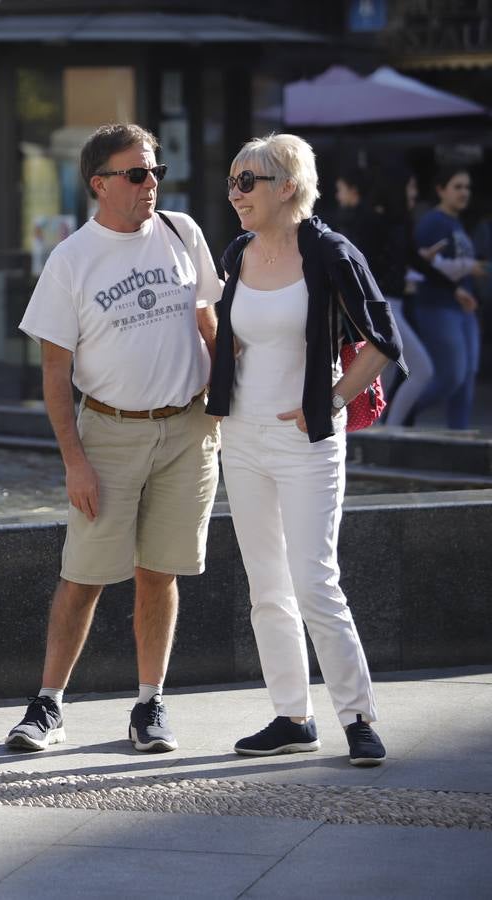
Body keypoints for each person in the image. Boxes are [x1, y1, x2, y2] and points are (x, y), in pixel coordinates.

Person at [8, 123, 221, 755]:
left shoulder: (184, 233)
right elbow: (54, 372)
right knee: (85, 576)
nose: (150, 184)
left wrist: (238, 403)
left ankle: (149, 705)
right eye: (136, 174)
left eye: (155, 171)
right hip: (109, 432)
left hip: (189, 428)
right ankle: (47, 705)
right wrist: (74, 462)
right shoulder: (72, 259)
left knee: (161, 573)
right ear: (100, 184)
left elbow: (210, 321)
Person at [206, 133, 402, 766]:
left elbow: (382, 342)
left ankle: (359, 717)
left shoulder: (330, 252)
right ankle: (292, 715)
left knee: (315, 582)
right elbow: (233, 334)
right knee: (267, 586)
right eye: (231, 182)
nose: (234, 194)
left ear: (285, 186)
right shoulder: (237, 251)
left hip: (306, 441)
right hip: (241, 435)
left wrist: (334, 400)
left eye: (246, 183)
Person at [372, 172, 469, 427]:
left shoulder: (402, 224)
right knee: (421, 369)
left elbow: (415, 261)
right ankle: (389, 432)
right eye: (410, 186)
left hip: (396, 306)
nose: (414, 193)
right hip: (383, 307)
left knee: (388, 373)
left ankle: (372, 433)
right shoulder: (377, 222)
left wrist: (453, 288)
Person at [408, 168, 486, 429]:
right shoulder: (433, 223)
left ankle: (459, 436)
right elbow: (423, 264)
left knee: (466, 377)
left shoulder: (456, 223)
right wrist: (466, 266)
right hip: (438, 305)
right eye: (458, 186)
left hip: (464, 306)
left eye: (467, 187)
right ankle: (402, 411)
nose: (464, 192)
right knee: (451, 375)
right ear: (441, 190)